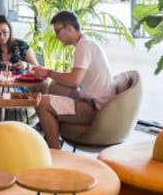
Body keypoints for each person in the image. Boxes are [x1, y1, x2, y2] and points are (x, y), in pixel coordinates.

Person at [34, 10, 116, 149]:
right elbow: (74, 80)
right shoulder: (86, 43)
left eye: (58, 31)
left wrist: (49, 72)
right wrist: (50, 75)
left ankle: (54, 152)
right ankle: (52, 133)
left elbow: (74, 81)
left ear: (69, 28)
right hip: (97, 103)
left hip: (95, 109)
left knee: (41, 103)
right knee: (55, 87)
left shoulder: (83, 46)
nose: (56, 36)